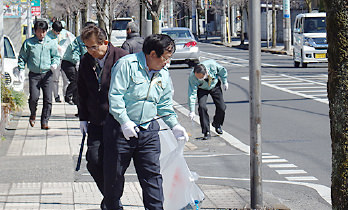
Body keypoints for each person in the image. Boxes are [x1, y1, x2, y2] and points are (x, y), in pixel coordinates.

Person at [103, 34, 189, 210]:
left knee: (152, 178)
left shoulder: (163, 74)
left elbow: (164, 105)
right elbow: (116, 96)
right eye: (165, 58)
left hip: (148, 130)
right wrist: (124, 122)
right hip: (121, 130)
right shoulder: (127, 65)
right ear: (151, 54)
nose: (166, 62)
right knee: (114, 177)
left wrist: (175, 125)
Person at [77, 25, 128, 210]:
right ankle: (111, 198)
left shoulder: (121, 57)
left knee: (114, 166)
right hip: (96, 120)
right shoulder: (85, 61)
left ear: (104, 42)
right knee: (93, 161)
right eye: (87, 47)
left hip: (117, 121)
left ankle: (112, 203)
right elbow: (81, 91)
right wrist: (83, 117)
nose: (90, 51)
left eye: (93, 47)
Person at [17, 20, 60, 129]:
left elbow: (56, 56)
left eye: (44, 32)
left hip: (47, 74)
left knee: (48, 99)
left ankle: (44, 121)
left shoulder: (51, 42)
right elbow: (22, 57)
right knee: (34, 98)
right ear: (35, 31)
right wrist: (21, 69)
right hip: (34, 75)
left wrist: (54, 63)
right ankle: (33, 113)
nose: (41, 34)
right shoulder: (29, 43)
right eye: (39, 31)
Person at [188, 60, 228, 140]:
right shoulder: (192, 77)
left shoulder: (212, 65)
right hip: (202, 89)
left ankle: (217, 123)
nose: (200, 79)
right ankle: (206, 131)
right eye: (198, 78)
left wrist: (224, 82)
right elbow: (192, 93)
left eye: (202, 77)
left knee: (222, 107)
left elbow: (222, 71)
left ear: (206, 72)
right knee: (202, 107)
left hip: (214, 85)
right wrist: (191, 110)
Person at [62, 22, 96, 108]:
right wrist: (77, 63)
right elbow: (75, 52)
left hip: (88, 63)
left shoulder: (95, 39)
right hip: (71, 63)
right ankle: (71, 98)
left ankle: (78, 102)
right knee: (77, 81)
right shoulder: (79, 40)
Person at [47, 21, 74, 103]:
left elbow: (73, 41)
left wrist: (69, 37)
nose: (58, 33)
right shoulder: (48, 35)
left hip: (65, 58)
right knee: (55, 79)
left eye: (59, 31)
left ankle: (66, 95)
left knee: (66, 79)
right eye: (56, 32)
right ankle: (56, 96)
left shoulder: (66, 33)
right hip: (54, 59)